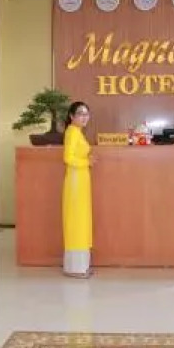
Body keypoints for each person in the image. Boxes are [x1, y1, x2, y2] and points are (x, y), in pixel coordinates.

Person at [62, 101, 95, 278]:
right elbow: (67, 158)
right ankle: (74, 268)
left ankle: (82, 266)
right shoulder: (72, 132)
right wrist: (86, 162)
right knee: (76, 221)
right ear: (71, 116)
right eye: (80, 113)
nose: (84, 117)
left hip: (81, 180)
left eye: (86, 114)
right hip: (75, 181)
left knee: (82, 221)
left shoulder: (77, 132)